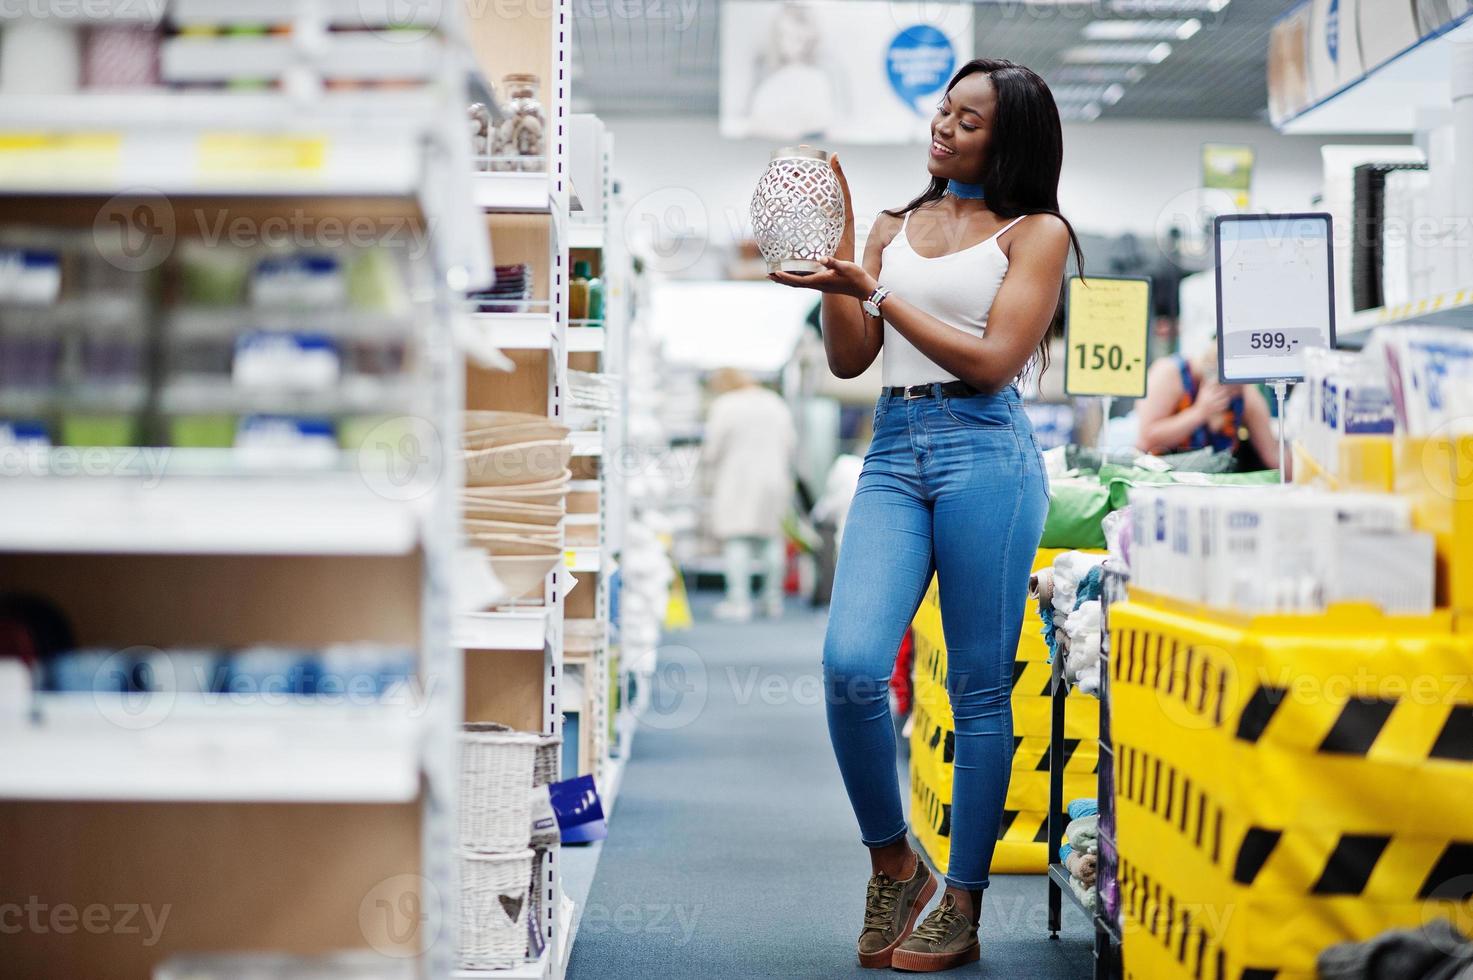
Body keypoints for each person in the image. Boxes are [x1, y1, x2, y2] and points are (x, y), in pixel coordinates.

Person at [769, 59, 1080, 972]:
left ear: (1009, 140)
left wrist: (875, 289)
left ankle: (965, 901)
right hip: (894, 445)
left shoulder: (1037, 233)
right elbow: (849, 359)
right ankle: (893, 862)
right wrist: (840, 263)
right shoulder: (893, 227)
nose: (944, 126)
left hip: (987, 449)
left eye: (969, 120)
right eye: (944, 109)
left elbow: (992, 362)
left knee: (980, 689)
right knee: (851, 666)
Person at [701, 368, 797, 622]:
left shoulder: (725, 406)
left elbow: (712, 449)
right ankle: (772, 599)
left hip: (737, 479)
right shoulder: (776, 404)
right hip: (773, 479)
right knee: (771, 539)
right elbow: (790, 444)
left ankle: (738, 601)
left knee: (737, 540)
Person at [1135, 344, 1280, 470]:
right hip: (1160, 475)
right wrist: (1199, 413)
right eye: (1229, 388)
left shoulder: (1244, 392)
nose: (1234, 393)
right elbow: (1146, 439)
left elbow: (1272, 455)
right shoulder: (1169, 374)